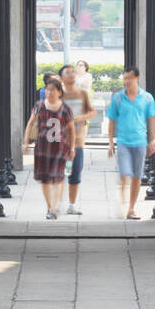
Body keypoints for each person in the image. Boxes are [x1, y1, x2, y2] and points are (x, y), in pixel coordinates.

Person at [106, 66, 155, 220]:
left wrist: (154, 139)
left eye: (130, 78)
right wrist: (111, 142)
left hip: (140, 142)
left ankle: (131, 208)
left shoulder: (147, 98)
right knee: (124, 174)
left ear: (138, 78)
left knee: (136, 176)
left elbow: (153, 119)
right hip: (123, 142)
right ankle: (122, 204)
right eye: (125, 78)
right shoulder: (117, 98)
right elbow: (111, 120)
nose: (127, 81)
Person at [23, 75, 75, 220]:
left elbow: (71, 129)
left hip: (60, 147)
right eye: (47, 89)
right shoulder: (39, 105)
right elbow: (30, 123)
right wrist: (26, 140)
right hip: (43, 147)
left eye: (52, 90)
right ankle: (49, 206)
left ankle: (53, 208)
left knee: (58, 178)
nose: (49, 92)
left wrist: (72, 148)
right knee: (46, 179)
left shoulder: (65, 109)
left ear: (59, 92)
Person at [57, 64, 95, 215]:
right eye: (68, 73)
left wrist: (81, 118)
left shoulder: (83, 93)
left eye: (73, 72)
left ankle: (71, 206)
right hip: (59, 141)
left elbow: (92, 112)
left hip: (77, 141)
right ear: (61, 78)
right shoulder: (58, 94)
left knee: (74, 173)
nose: (72, 74)